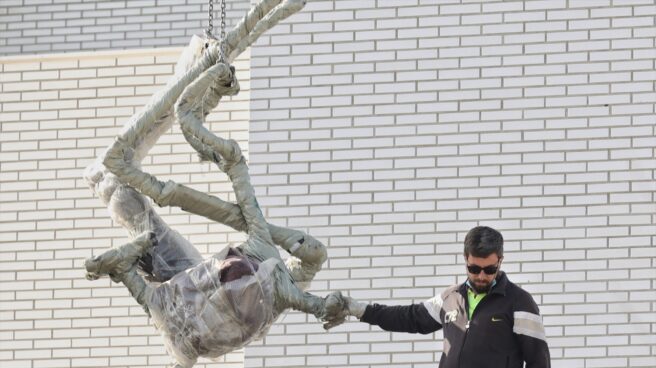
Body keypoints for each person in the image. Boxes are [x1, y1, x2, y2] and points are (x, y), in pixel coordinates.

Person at [337, 226, 550, 368]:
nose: (481, 276)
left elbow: (539, 361)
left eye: (489, 269)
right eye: (474, 268)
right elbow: (410, 317)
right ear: (465, 258)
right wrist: (361, 310)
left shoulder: (519, 302)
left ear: (500, 261)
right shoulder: (450, 298)